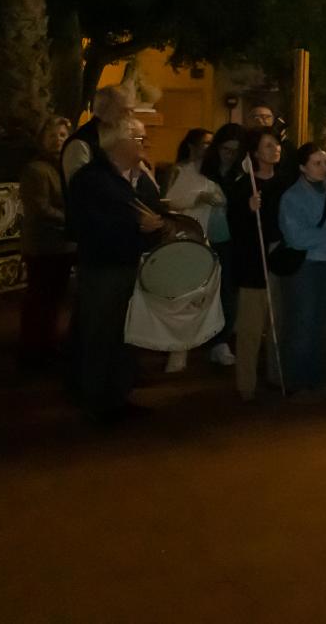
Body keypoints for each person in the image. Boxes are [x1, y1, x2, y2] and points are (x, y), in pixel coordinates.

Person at [67, 117, 166, 423]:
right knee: (101, 334)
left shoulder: (125, 177)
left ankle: (116, 395)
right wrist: (137, 224)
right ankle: (98, 402)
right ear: (119, 143)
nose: (145, 143)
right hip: (103, 267)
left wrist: (150, 226)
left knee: (122, 333)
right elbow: (85, 225)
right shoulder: (93, 179)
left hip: (124, 263)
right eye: (139, 139)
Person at [277, 143, 326, 395]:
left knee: (324, 320)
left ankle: (319, 375)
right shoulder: (292, 197)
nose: (323, 168)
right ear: (302, 167)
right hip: (306, 263)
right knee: (303, 319)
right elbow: (296, 236)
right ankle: (296, 378)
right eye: (317, 163)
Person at [159, 127, 230, 373]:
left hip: (211, 238)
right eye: (205, 143)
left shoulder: (214, 173)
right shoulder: (179, 170)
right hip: (186, 237)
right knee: (182, 297)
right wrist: (195, 199)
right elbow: (166, 202)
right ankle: (177, 351)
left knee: (206, 297)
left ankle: (210, 343)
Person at [225, 127, 286, 401]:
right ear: (255, 153)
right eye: (268, 146)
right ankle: (246, 384)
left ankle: (276, 374)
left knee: (278, 325)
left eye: (276, 145)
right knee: (250, 328)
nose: (275, 150)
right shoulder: (244, 186)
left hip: (280, 261)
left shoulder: (284, 183)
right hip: (253, 265)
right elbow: (236, 229)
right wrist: (248, 210)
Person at [18, 115, 76, 373]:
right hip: (43, 245)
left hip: (62, 245)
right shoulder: (37, 170)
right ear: (42, 139)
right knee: (40, 300)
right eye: (53, 136)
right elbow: (40, 208)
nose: (58, 141)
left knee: (54, 301)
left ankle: (47, 346)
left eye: (63, 135)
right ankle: (34, 352)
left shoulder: (64, 167)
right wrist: (72, 219)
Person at [160, 128, 211, 197]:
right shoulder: (177, 170)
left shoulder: (210, 171)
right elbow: (166, 198)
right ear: (191, 146)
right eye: (207, 143)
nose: (211, 147)